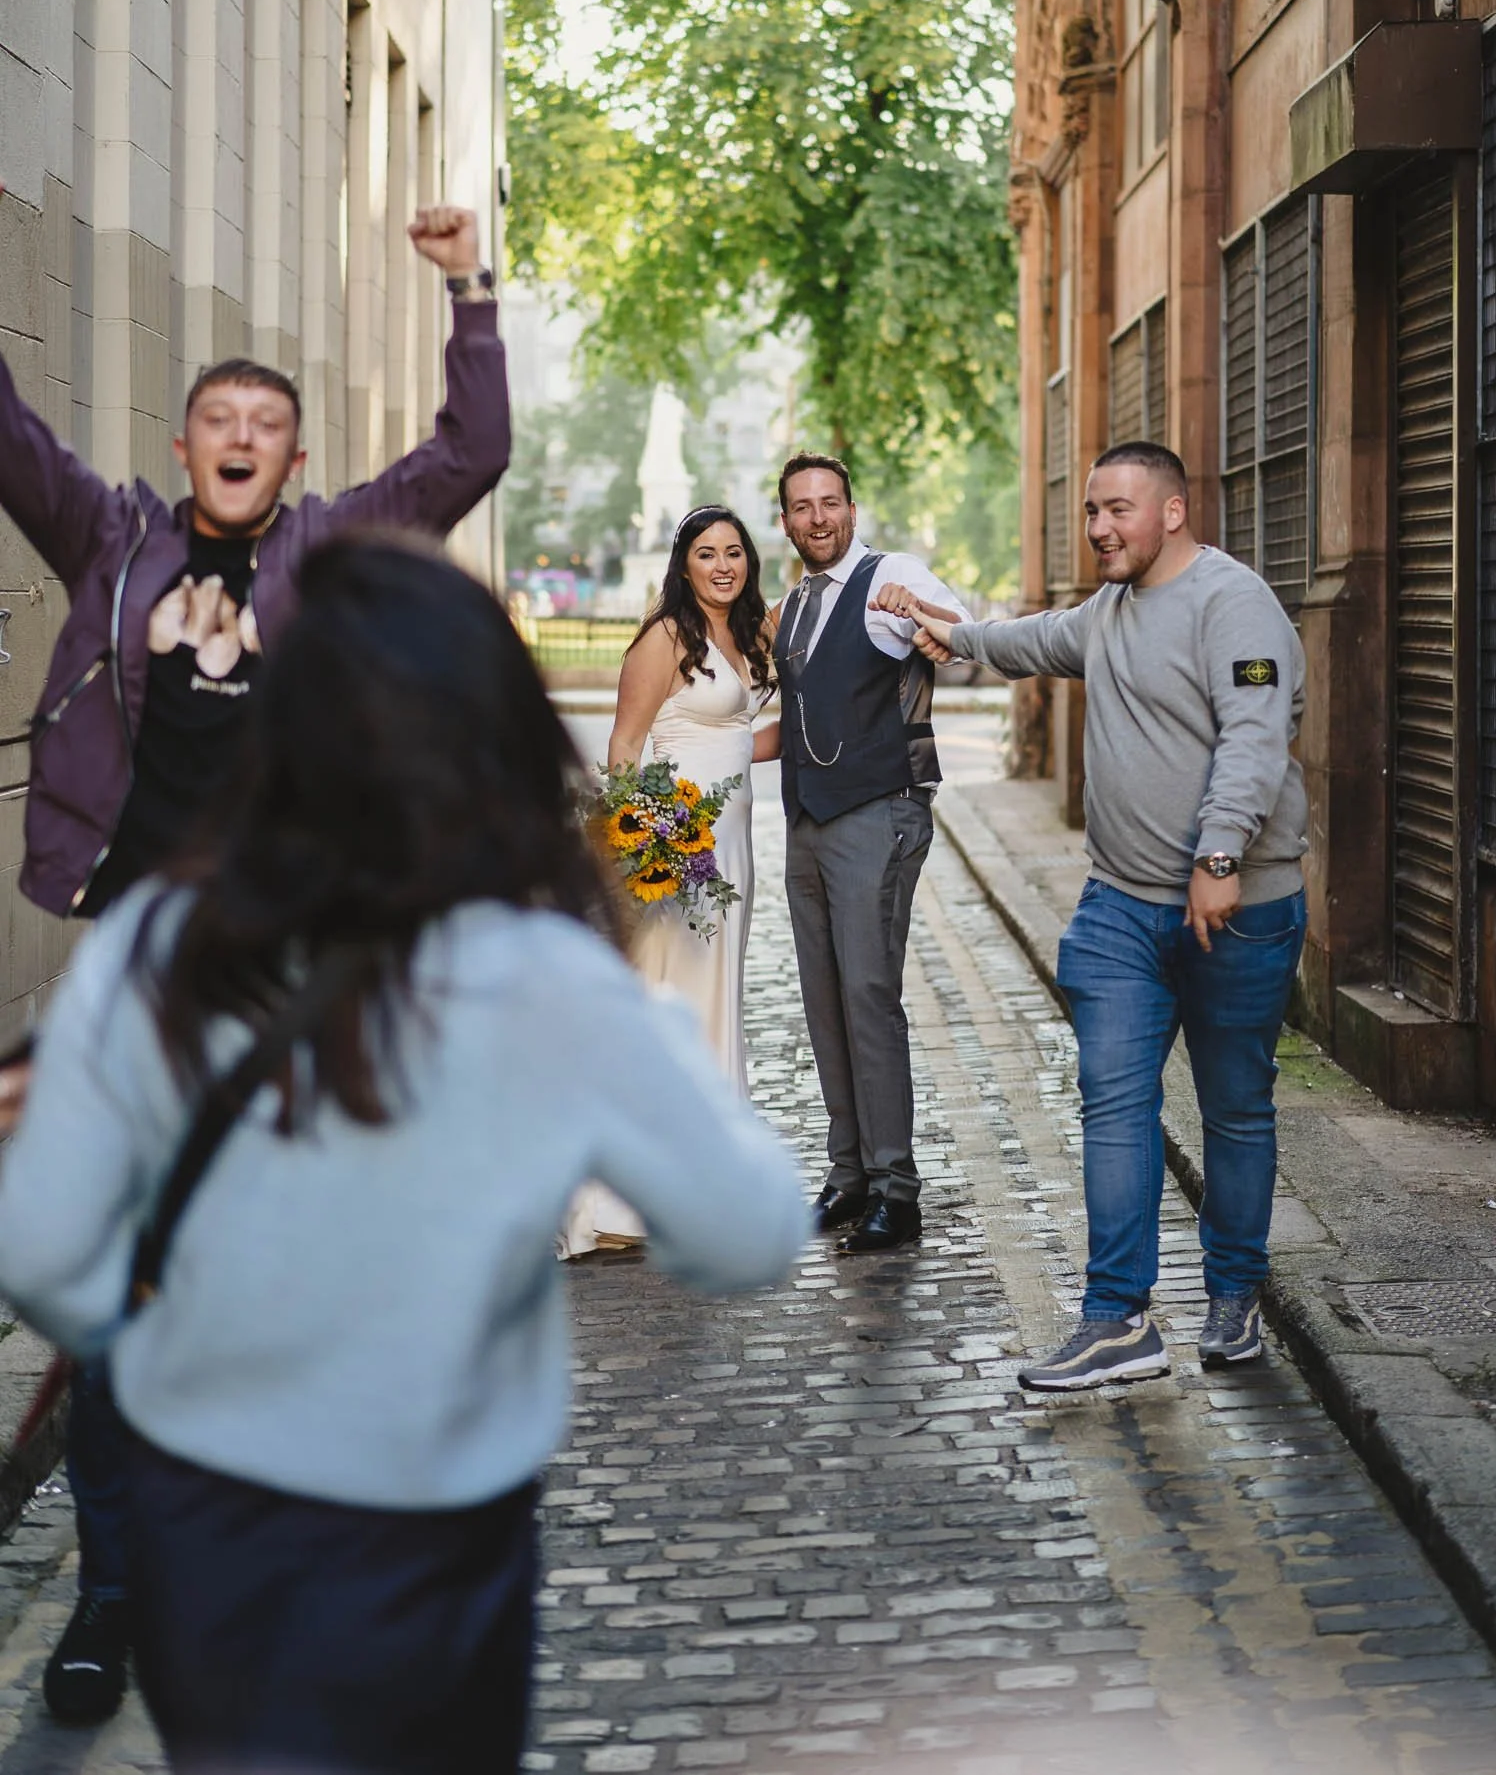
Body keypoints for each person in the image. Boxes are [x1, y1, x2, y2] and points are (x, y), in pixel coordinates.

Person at [0, 536, 808, 1775]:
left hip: (207, 1515)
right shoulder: (542, 971)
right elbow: (748, 1232)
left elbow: (46, 1256)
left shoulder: (161, 938)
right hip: (443, 1526)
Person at [0, 201, 510, 1726]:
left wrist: (470, 289)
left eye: (266, 422)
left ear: (292, 459)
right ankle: (107, 1601)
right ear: (184, 439)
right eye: (219, 416)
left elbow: (465, 453)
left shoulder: (338, 547)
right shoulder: (112, 536)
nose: (241, 434)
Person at [886, 440, 1308, 1390]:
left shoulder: (1234, 605)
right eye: (1090, 511)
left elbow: (1257, 735)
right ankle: (1117, 1319)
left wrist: (1219, 855)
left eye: (1117, 508)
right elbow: (1031, 640)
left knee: (1236, 1110)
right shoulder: (1111, 612)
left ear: (1171, 510)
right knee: (1115, 1103)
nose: (1100, 527)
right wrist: (950, 633)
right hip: (1120, 907)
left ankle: (1234, 1300)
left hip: (1235, 907)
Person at [561, 507, 779, 1257]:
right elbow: (624, 746)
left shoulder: (750, 632)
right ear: (682, 564)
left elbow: (743, 734)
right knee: (670, 1005)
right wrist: (651, 845)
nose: (723, 565)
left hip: (736, 848)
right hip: (680, 849)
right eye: (706, 554)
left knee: (716, 1004)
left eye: (734, 552)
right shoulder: (667, 636)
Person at [774, 453, 967, 1254]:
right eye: (801, 507)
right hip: (807, 823)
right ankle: (847, 1175)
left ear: (852, 509)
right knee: (824, 1003)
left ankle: (897, 1188)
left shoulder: (892, 577)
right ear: (783, 519)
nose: (818, 518)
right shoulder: (792, 606)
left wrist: (918, 607)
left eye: (830, 503)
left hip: (877, 815)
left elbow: (959, 640)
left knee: (868, 998)